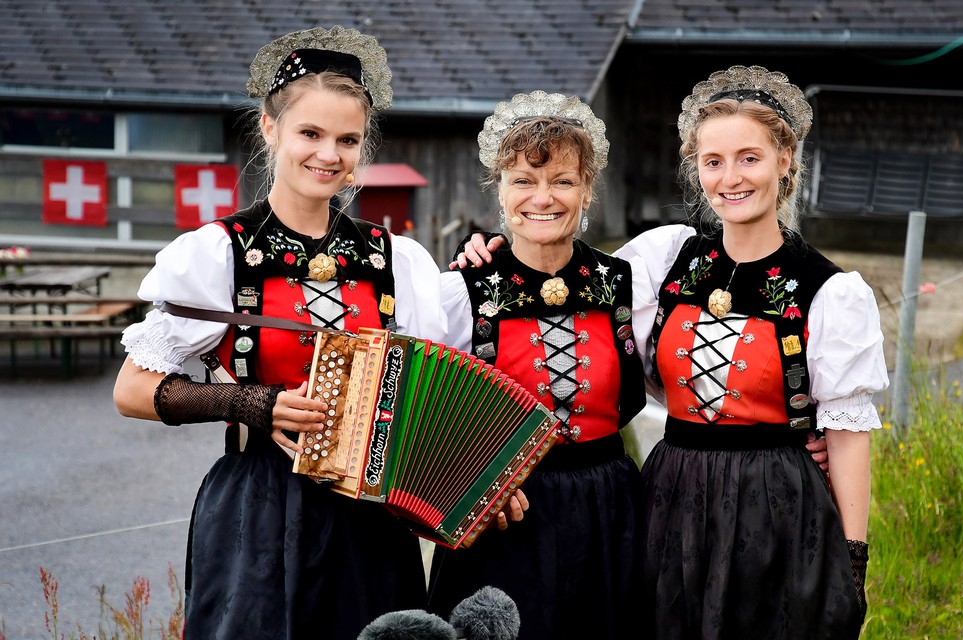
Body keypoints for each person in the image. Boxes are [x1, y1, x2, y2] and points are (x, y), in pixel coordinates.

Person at [455, 66, 881, 639]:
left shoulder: (829, 289)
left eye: (749, 158)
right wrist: (488, 250)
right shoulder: (665, 260)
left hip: (775, 503)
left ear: (786, 160)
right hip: (671, 496)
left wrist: (852, 558)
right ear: (696, 169)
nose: (731, 177)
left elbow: (849, 434)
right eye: (713, 161)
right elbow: (564, 269)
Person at [112, 26, 483, 639]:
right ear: (269, 128)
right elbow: (131, 391)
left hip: (371, 518)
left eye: (347, 140)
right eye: (310, 133)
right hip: (258, 509)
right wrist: (246, 403)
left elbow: (427, 396)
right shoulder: (217, 254)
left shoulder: (399, 260)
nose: (328, 155)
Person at [426, 91, 649, 640]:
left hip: (608, 511)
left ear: (587, 190)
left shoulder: (625, 283)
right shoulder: (459, 293)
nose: (542, 198)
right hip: (502, 515)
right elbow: (419, 414)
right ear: (499, 190)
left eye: (563, 181)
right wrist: (467, 483)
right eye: (524, 180)